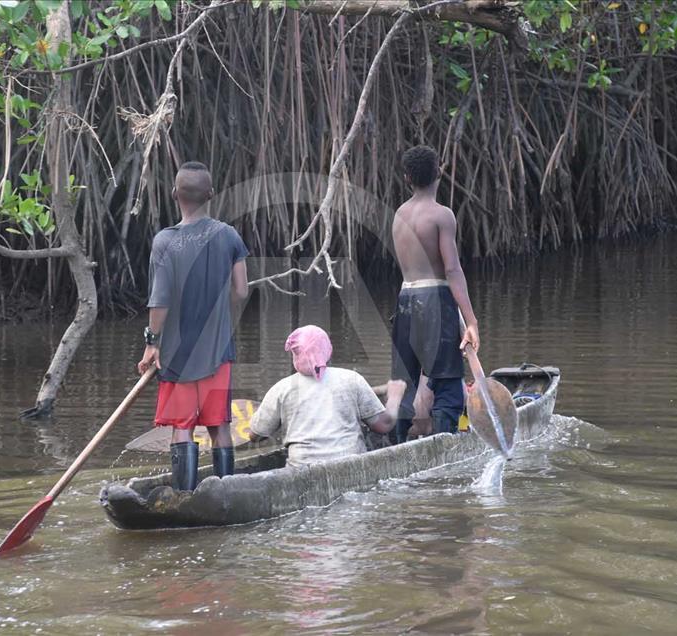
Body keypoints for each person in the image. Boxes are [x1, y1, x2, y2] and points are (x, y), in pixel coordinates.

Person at [137, 161, 249, 491]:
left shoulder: (164, 241)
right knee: (219, 425)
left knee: (182, 426)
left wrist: (152, 342)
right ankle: (226, 493)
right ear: (211, 195)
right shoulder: (228, 235)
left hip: (177, 355)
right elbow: (241, 291)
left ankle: (184, 497)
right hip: (218, 352)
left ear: (174, 195)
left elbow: (160, 302)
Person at [390, 145, 481, 443]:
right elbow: (452, 270)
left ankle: (396, 448)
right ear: (439, 171)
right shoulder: (443, 216)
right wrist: (470, 321)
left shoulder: (399, 215)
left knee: (404, 386)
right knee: (448, 386)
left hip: (405, 301)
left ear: (407, 178)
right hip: (435, 302)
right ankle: (442, 452)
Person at [248, 325, 407, 467]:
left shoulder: (281, 389)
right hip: (351, 467)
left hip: (301, 470)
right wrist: (394, 396)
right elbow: (383, 426)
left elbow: (256, 435)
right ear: (327, 351)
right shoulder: (351, 379)